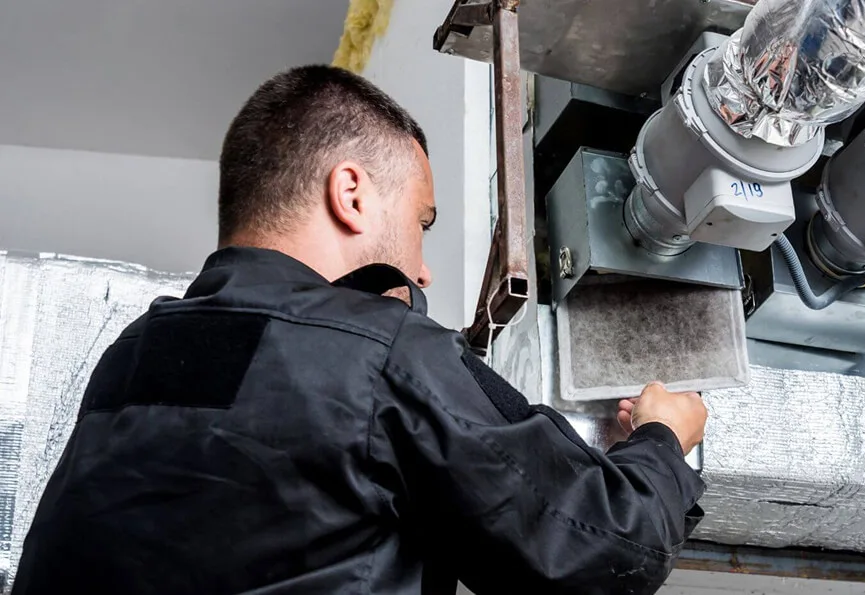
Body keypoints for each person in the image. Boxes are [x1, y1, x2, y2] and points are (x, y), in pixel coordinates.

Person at [12, 65, 708, 595]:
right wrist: (662, 440)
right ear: (351, 194)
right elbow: (604, 546)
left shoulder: (130, 357)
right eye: (421, 222)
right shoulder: (375, 349)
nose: (425, 270)